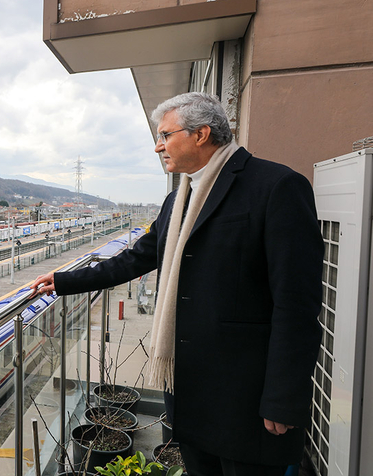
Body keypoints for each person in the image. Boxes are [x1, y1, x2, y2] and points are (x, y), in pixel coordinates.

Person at [31, 92, 322, 476]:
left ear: (201, 134)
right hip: (190, 393)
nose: (158, 146)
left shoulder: (276, 186)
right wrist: (65, 280)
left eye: (165, 135)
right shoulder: (177, 200)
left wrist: (283, 398)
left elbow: (297, 303)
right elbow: (135, 258)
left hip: (246, 398)